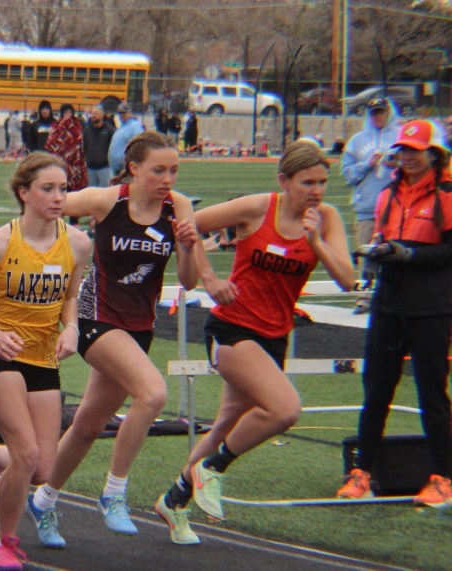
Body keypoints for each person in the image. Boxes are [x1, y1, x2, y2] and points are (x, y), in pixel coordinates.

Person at [0, 132, 197, 550]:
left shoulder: (178, 208)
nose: (168, 178)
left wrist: (189, 247)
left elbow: (189, 280)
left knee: (88, 425)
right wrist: (31, 244)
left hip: (139, 325)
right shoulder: (106, 201)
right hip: (96, 318)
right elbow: (45, 205)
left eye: (174, 170)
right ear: (134, 168)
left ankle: (44, 498)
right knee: (153, 394)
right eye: (158, 170)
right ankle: (114, 492)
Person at [156, 141, 354, 545]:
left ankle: (174, 500)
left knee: (227, 423)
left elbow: (348, 280)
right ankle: (212, 469)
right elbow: (187, 225)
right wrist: (209, 278)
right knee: (285, 409)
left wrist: (317, 242)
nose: (316, 191)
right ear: (284, 181)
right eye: (307, 182)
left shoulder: (326, 218)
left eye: (322, 182)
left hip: (275, 337)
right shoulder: (258, 208)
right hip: (232, 330)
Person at [0, 153, 91, 571]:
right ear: (24, 193)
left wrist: (70, 328)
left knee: (42, 469)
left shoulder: (77, 243)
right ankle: (4, 540)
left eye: (64, 189)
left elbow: (70, 297)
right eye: (48, 189)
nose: (59, 197)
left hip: (42, 357)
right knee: (27, 451)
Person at [337, 120, 452, 507]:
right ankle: (362, 472)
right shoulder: (388, 193)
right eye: (403, 150)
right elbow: (384, 239)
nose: (407, 156)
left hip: (431, 308)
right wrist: (376, 252)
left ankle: (443, 477)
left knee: (432, 394)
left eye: (415, 150)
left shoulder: (447, 195)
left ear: (433, 154)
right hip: (388, 304)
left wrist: (410, 255)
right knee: (376, 391)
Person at [341, 98, 399, 314]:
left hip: (396, 208)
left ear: (389, 113)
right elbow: (347, 174)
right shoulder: (357, 141)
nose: (378, 116)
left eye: (381, 112)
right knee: (367, 256)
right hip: (367, 208)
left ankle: (394, 298)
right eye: (374, 113)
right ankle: (364, 299)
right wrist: (366, 165)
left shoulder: (400, 136)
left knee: (394, 255)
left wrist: (396, 163)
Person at [44, 104, 87, 194]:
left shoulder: (77, 126)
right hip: (60, 163)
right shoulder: (56, 126)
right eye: (66, 112)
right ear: (62, 114)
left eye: (70, 112)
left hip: (74, 164)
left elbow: (80, 144)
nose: (68, 114)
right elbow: (51, 145)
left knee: (73, 190)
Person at [109, 104, 144, 176]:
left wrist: (125, 161)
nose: (122, 115)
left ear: (130, 113)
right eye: (120, 113)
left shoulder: (134, 126)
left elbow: (138, 147)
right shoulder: (122, 126)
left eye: (124, 113)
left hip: (126, 170)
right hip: (117, 170)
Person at [82, 106, 114, 188]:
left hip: (104, 168)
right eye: (92, 113)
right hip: (90, 169)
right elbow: (84, 147)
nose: (93, 116)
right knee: (91, 194)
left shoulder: (109, 130)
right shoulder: (87, 130)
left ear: (102, 115)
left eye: (96, 113)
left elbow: (113, 147)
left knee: (105, 193)